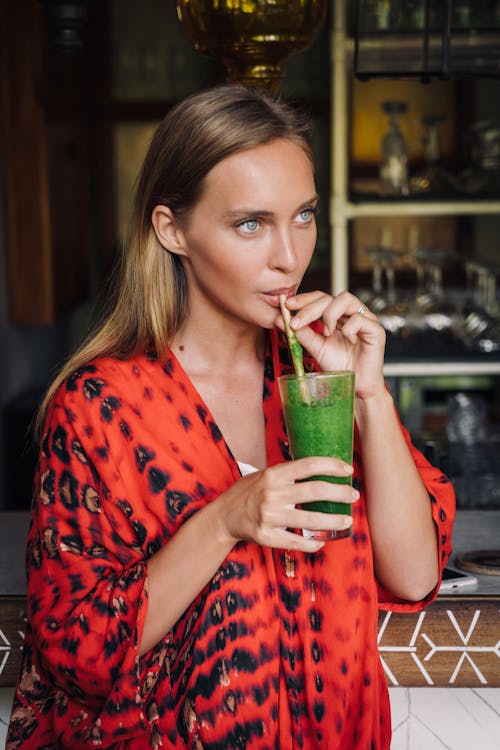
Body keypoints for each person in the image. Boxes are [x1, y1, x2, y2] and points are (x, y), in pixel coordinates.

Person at [7, 84, 455, 750]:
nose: (289, 256)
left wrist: (367, 395)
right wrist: (226, 516)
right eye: (251, 223)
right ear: (172, 229)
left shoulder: (314, 380)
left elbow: (415, 573)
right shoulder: (101, 407)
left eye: (302, 216)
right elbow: (80, 654)